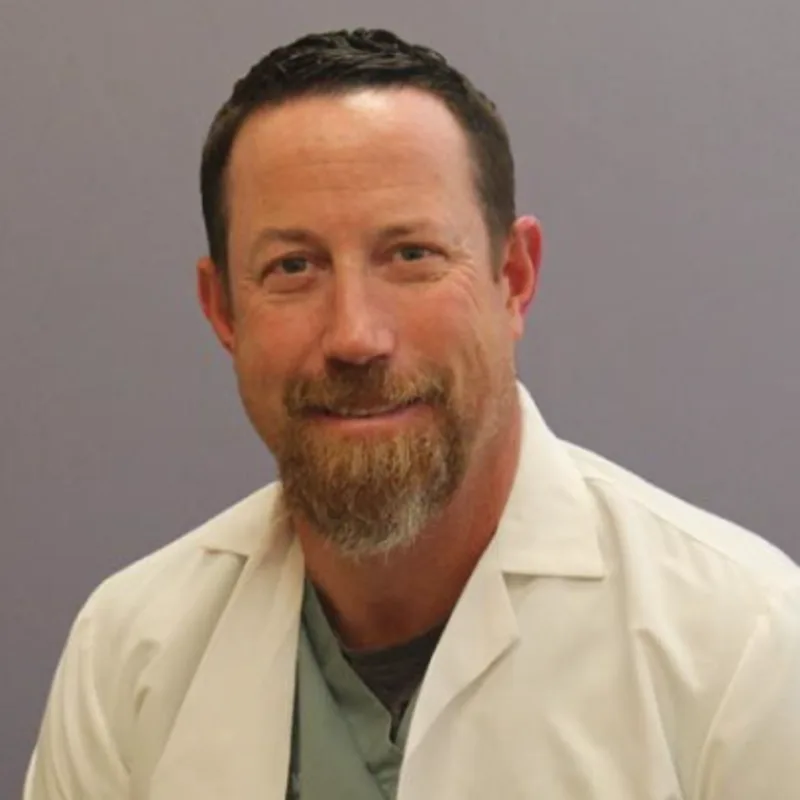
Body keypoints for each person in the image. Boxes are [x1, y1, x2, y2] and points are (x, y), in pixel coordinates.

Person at [24, 27, 800, 800]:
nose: (356, 336)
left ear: (513, 277)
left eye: (411, 255)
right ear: (223, 309)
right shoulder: (127, 653)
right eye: (293, 267)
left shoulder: (745, 646)